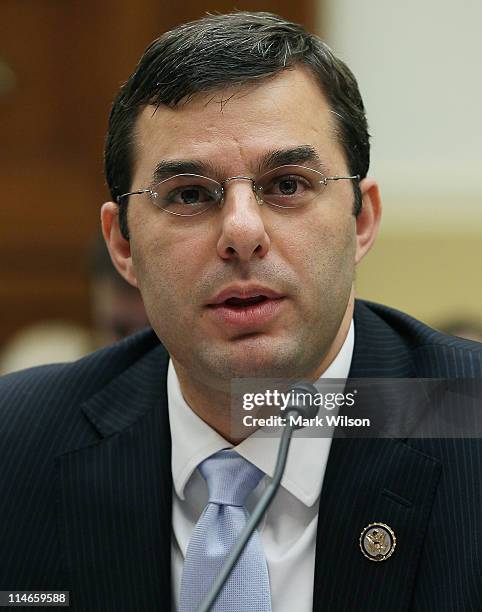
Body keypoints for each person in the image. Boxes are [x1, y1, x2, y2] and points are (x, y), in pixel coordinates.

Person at [0, 12, 480, 612]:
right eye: (189, 195)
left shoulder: (466, 415)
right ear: (122, 244)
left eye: (286, 185)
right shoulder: (14, 446)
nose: (242, 232)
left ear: (361, 220)